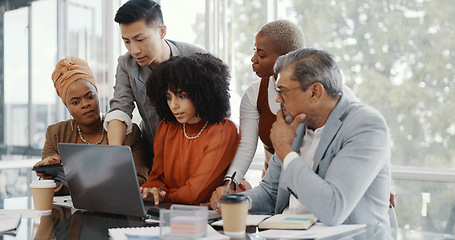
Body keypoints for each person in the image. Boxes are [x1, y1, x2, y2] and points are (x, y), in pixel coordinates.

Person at [213, 48, 392, 226]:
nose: (277, 100)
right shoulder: (298, 124)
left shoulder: (366, 126)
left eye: (282, 91)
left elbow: (333, 209)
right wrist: (237, 202)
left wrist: (285, 150)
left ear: (315, 92)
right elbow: (270, 191)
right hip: (286, 232)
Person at [104, 0, 207, 164]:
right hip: (155, 160)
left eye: (140, 39)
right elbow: (120, 108)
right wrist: (113, 154)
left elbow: (220, 118)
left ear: (162, 31)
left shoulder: (199, 58)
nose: (134, 50)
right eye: (127, 41)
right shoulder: (126, 64)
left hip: (197, 158)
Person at [35, 56, 149, 194]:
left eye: (90, 97)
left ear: (98, 95)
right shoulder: (56, 133)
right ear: (68, 108)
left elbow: (142, 179)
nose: (85, 104)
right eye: (76, 102)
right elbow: (50, 186)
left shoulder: (127, 131)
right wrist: (49, 178)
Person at [140, 53, 240, 205]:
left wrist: (164, 195)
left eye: (181, 96)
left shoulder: (223, 130)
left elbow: (194, 194)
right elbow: (156, 179)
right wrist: (152, 190)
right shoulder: (167, 126)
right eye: (168, 97)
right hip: (170, 212)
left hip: (209, 217)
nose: (174, 105)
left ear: (202, 93)